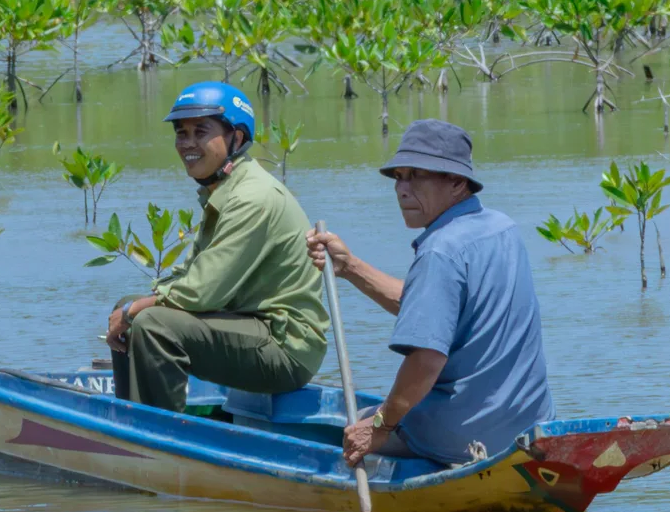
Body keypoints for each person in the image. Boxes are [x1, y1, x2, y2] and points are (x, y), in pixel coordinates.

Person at [307, 118, 553, 466]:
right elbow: (436, 312)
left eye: (416, 176)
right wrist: (349, 267)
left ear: (456, 182)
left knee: (351, 425)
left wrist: (379, 425)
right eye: (398, 177)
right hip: (527, 426)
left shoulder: (440, 251)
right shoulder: (502, 228)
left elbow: (425, 360)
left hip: (461, 435)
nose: (402, 189)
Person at [106, 80, 328, 411]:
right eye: (182, 132)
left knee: (152, 323)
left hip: (285, 349)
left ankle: (160, 439)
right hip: (251, 327)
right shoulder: (227, 190)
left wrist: (135, 311)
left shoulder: (252, 198)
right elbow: (193, 272)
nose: (188, 143)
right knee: (134, 307)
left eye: (201, 131)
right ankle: (135, 417)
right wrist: (132, 307)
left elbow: (202, 292)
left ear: (236, 138)